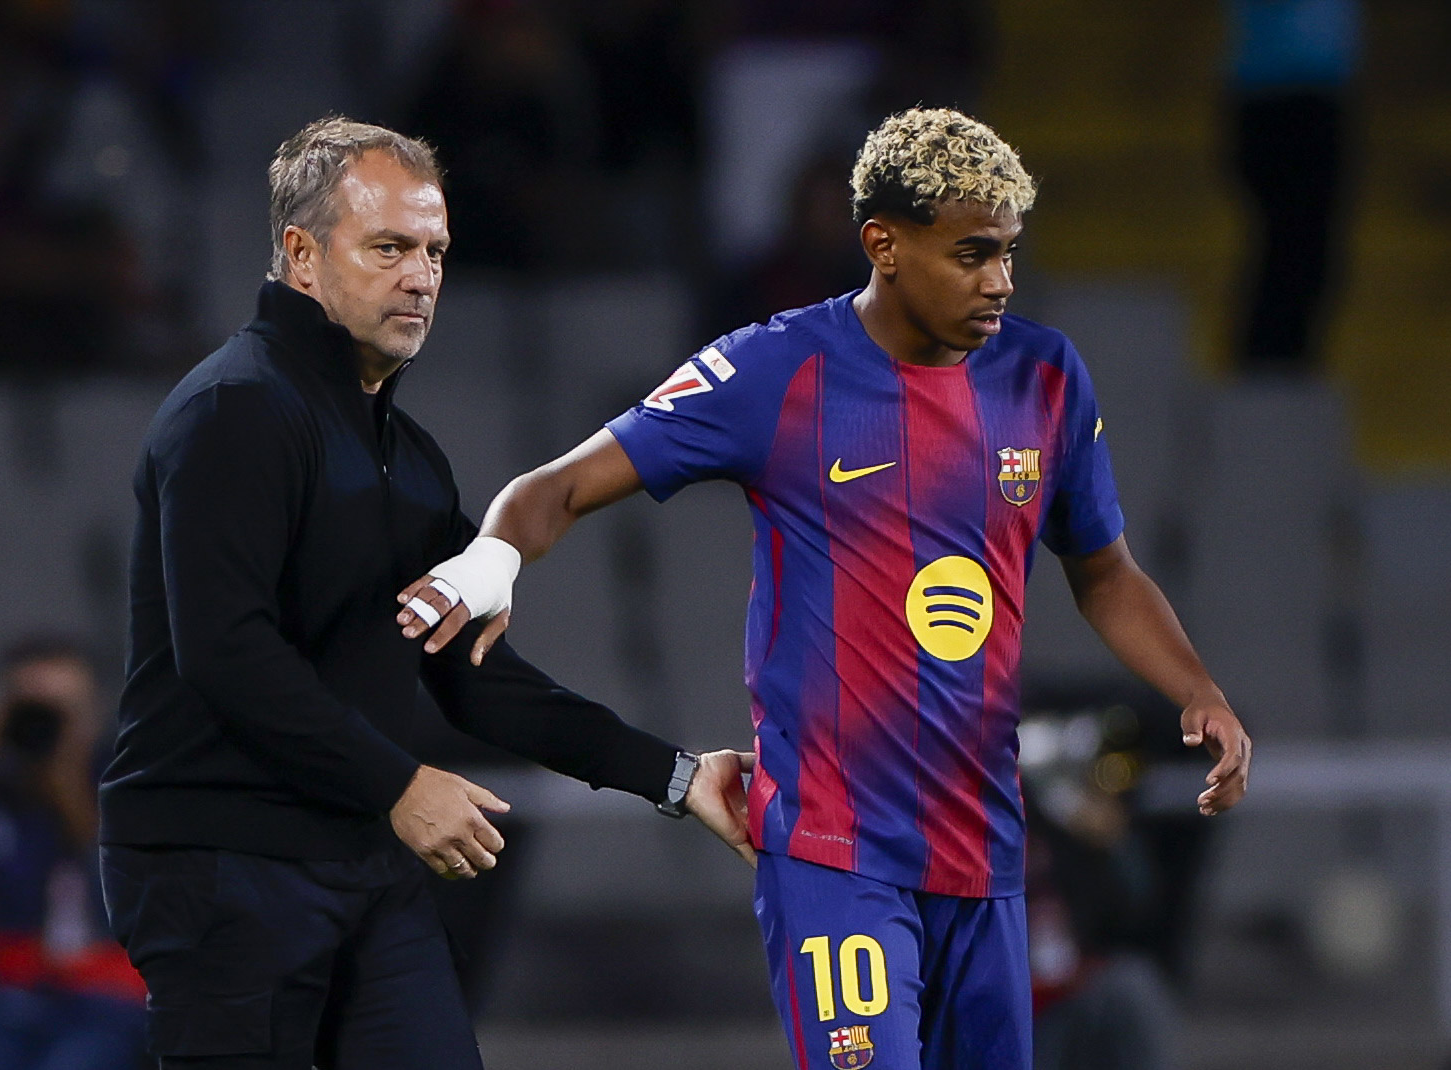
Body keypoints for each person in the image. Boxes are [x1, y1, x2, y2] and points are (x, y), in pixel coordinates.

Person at [397, 107, 1254, 1070]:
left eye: (1009, 254)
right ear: (882, 245)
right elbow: (554, 487)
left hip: (987, 851)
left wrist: (1197, 690)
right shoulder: (773, 369)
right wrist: (490, 563)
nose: (1000, 283)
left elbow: (1103, 571)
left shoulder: (1044, 376)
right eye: (972, 254)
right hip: (835, 854)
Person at [97, 116, 750, 1070]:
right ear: (301, 255)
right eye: (390, 248)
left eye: (435, 251)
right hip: (217, 861)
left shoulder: (406, 457)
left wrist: (677, 777)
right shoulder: (232, 411)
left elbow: (474, 674)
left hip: (357, 858)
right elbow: (224, 651)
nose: (421, 276)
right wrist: (398, 784)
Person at [0, 637, 146, 1070]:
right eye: (34, 708)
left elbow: (123, 903)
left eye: (64, 709)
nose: (49, 725)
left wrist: (71, 789)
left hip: (95, 1001)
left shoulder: (123, 780)